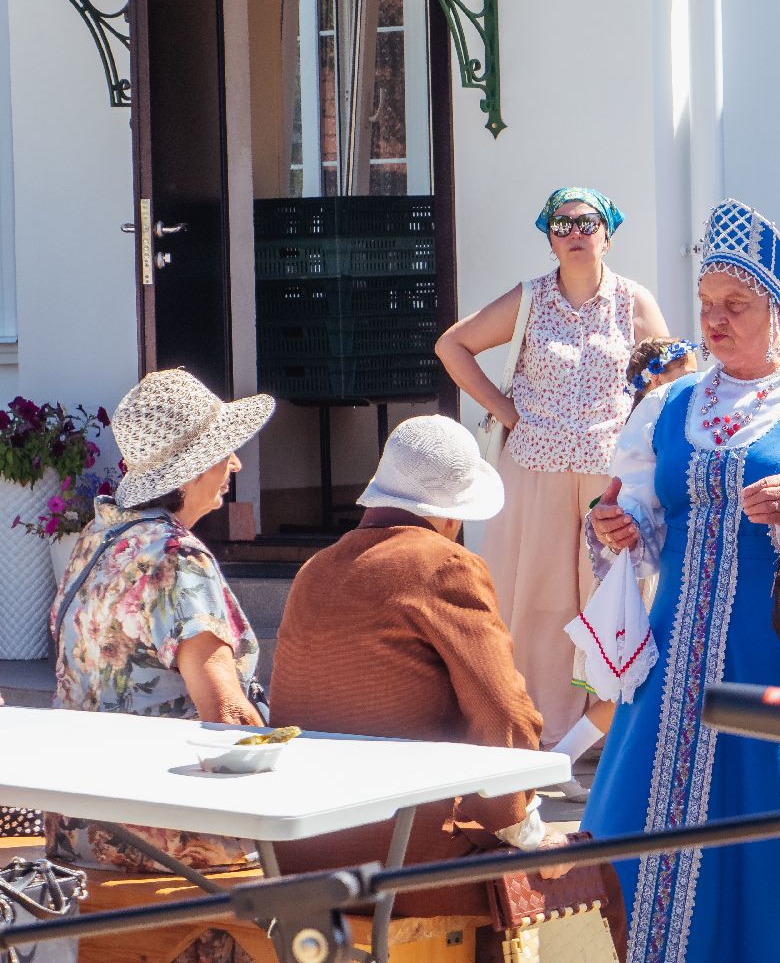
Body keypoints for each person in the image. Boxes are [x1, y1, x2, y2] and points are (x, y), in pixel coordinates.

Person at [583, 200, 780, 963]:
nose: (715, 321)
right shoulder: (671, 402)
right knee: (636, 826)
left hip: (771, 654)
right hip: (671, 655)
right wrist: (623, 524)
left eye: (736, 305)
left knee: (768, 824)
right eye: (706, 304)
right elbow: (644, 507)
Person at [268, 416, 573, 927]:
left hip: (299, 857)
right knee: (589, 879)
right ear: (451, 516)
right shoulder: (445, 564)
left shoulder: (314, 570)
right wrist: (524, 827)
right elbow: (502, 712)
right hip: (403, 860)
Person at [46, 369, 273, 962]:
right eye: (224, 451)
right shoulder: (175, 556)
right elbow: (225, 714)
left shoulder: (96, 541)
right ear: (191, 470)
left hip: (81, 828)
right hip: (166, 840)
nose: (235, 464)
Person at [434, 187, 669, 746]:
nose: (575, 234)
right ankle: (533, 727)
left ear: (608, 233)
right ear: (549, 240)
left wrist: (647, 446)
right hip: (534, 470)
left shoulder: (633, 301)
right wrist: (507, 412)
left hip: (609, 476)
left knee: (610, 597)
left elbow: (670, 377)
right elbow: (452, 346)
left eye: (587, 222)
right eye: (561, 225)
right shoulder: (529, 299)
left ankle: (600, 734)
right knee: (535, 597)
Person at [549, 336, 700, 798]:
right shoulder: (654, 422)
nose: (697, 381)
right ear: (655, 380)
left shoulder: (674, 420)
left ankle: (569, 762)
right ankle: (561, 760)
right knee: (635, 682)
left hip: (652, 566)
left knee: (640, 685)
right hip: (647, 573)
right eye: (686, 373)